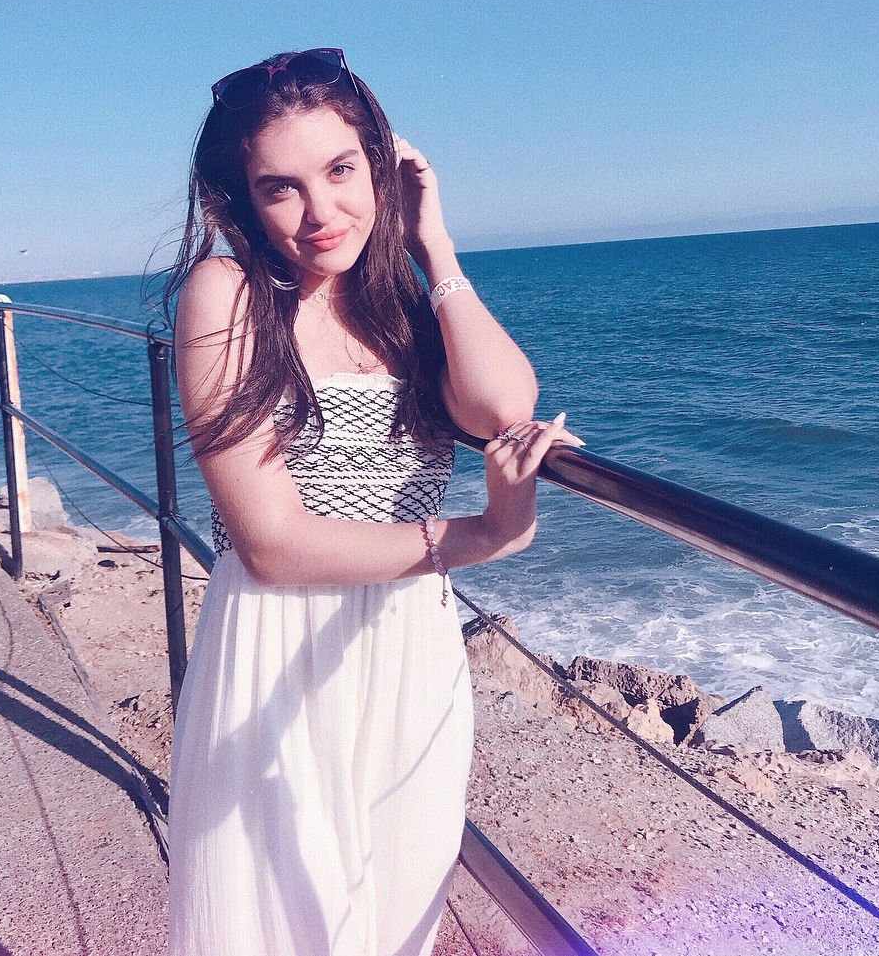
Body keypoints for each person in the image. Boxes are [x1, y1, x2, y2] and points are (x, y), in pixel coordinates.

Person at [164, 48, 583, 956]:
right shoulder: (226, 295)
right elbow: (272, 543)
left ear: (381, 168)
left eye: (342, 171)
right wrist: (481, 533)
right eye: (281, 188)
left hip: (409, 649)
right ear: (243, 200)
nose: (321, 212)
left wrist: (434, 246)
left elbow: (504, 406)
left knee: (395, 926)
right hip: (276, 651)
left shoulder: (400, 314)